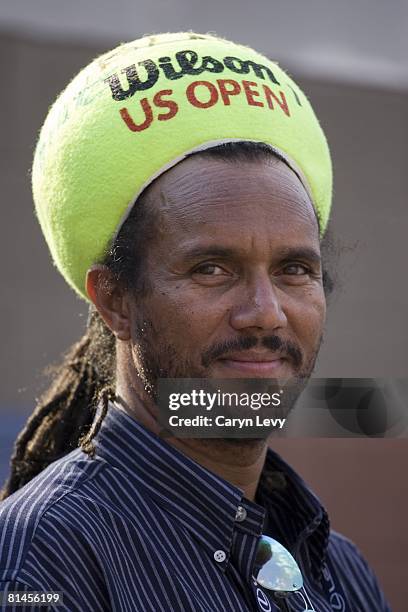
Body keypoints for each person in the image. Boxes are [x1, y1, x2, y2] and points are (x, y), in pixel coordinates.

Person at [0, 32, 390, 611]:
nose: (265, 312)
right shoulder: (49, 551)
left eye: (294, 270)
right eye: (211, 268)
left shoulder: (339, 566)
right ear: (116, 301)